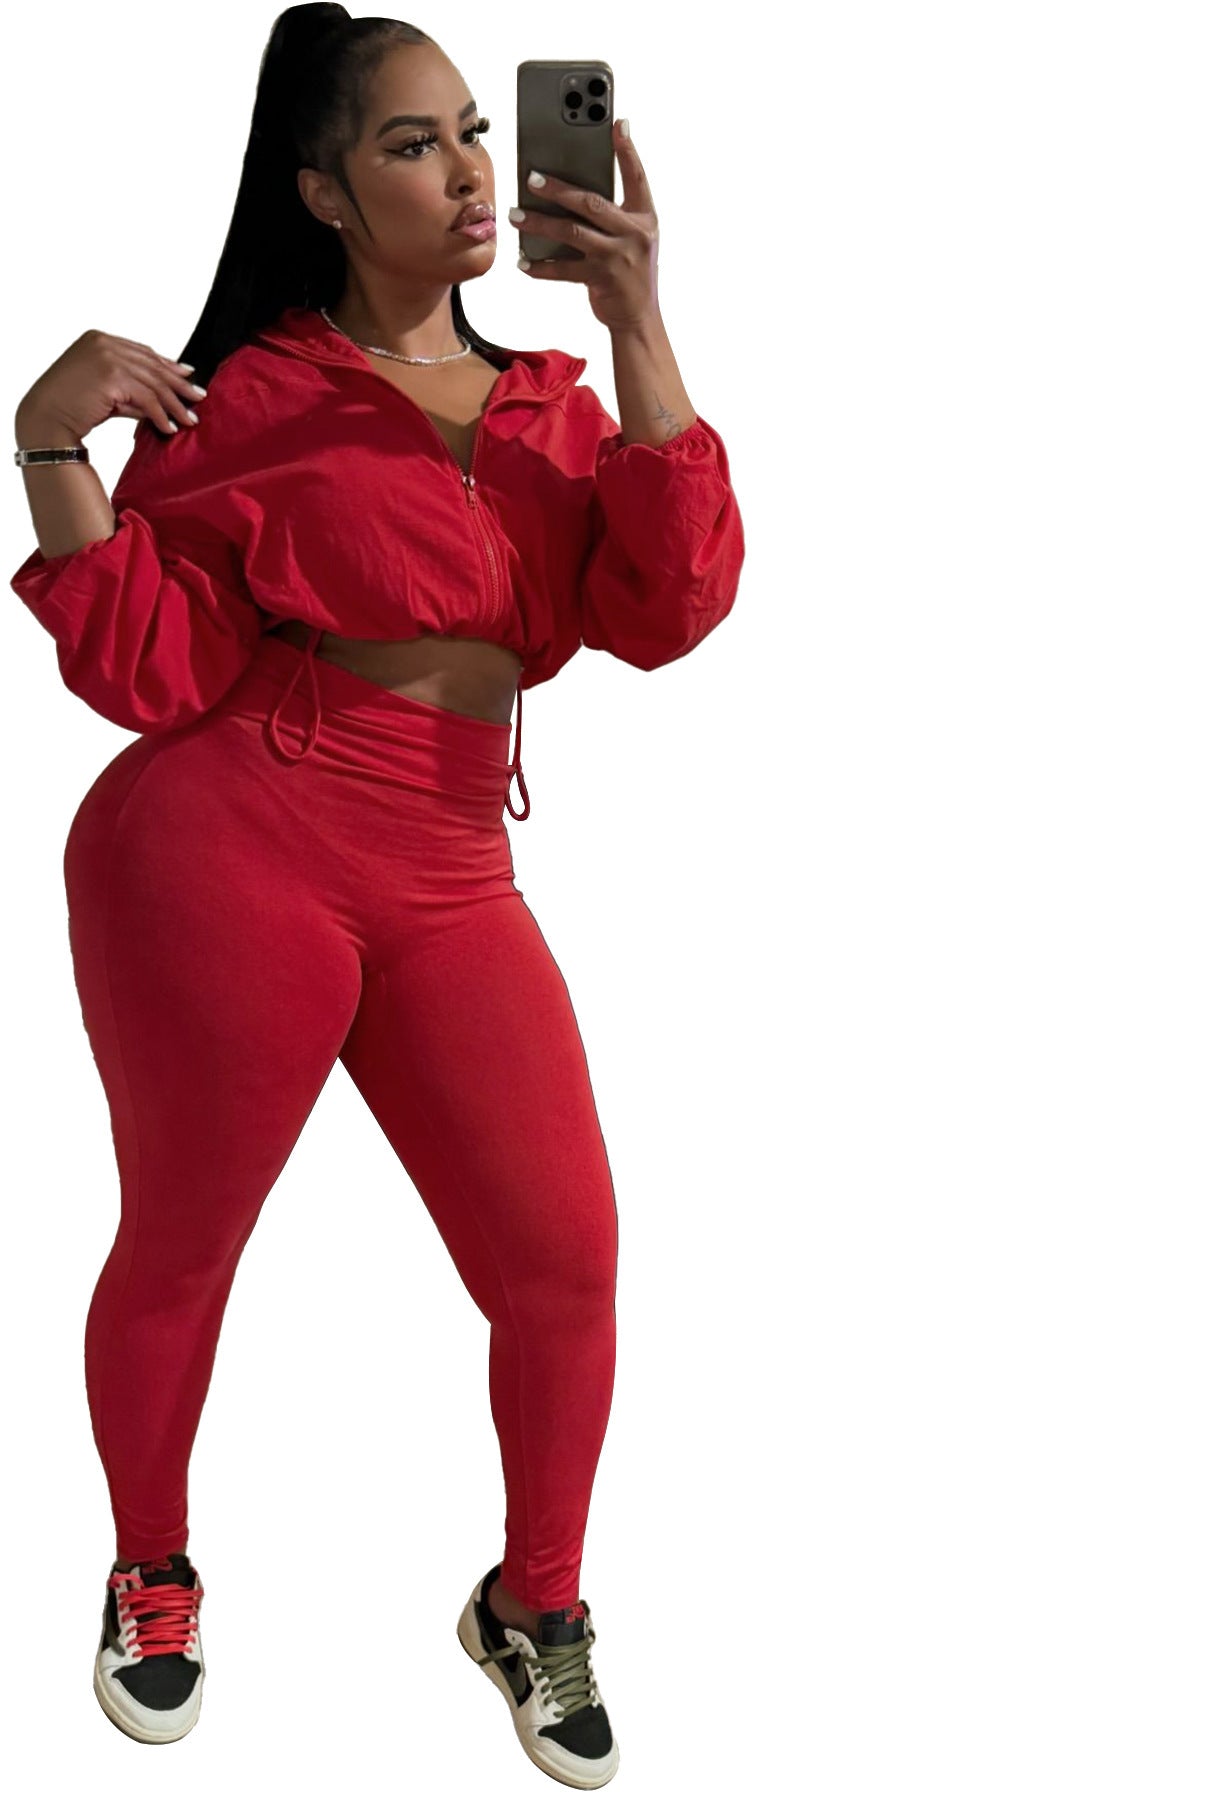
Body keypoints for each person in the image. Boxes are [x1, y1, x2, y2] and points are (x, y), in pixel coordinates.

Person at [9, 6, 744, 1784]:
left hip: (451, 862)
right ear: (323, 193)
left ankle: (534, 1605)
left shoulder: (555, 407)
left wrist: (637, 317)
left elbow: (669, 609)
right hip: (231, 838)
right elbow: (149, 668)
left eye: (476, 130)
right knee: (187, 1237)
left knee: (563, 1265)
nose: (472, 170)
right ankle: (152, 1572)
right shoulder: (252, 395)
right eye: (414, 144)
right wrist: (47, 445)